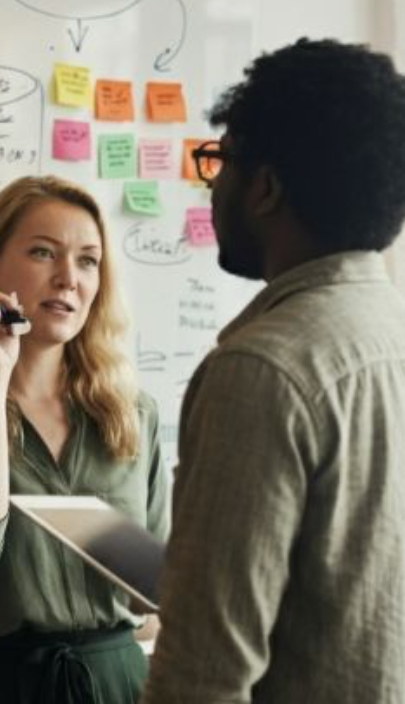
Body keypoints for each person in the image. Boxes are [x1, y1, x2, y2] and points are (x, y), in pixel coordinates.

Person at [144, 38, 405, 703]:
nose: (214, 182)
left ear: (265, 187)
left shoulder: (262, 370)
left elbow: (201, 679)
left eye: (221, 159)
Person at [0, 175, 168, 703]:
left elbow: (155, 597)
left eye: (88, 260)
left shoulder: (132, 414)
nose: (68, 279)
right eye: (44, 252)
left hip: (119, 686)